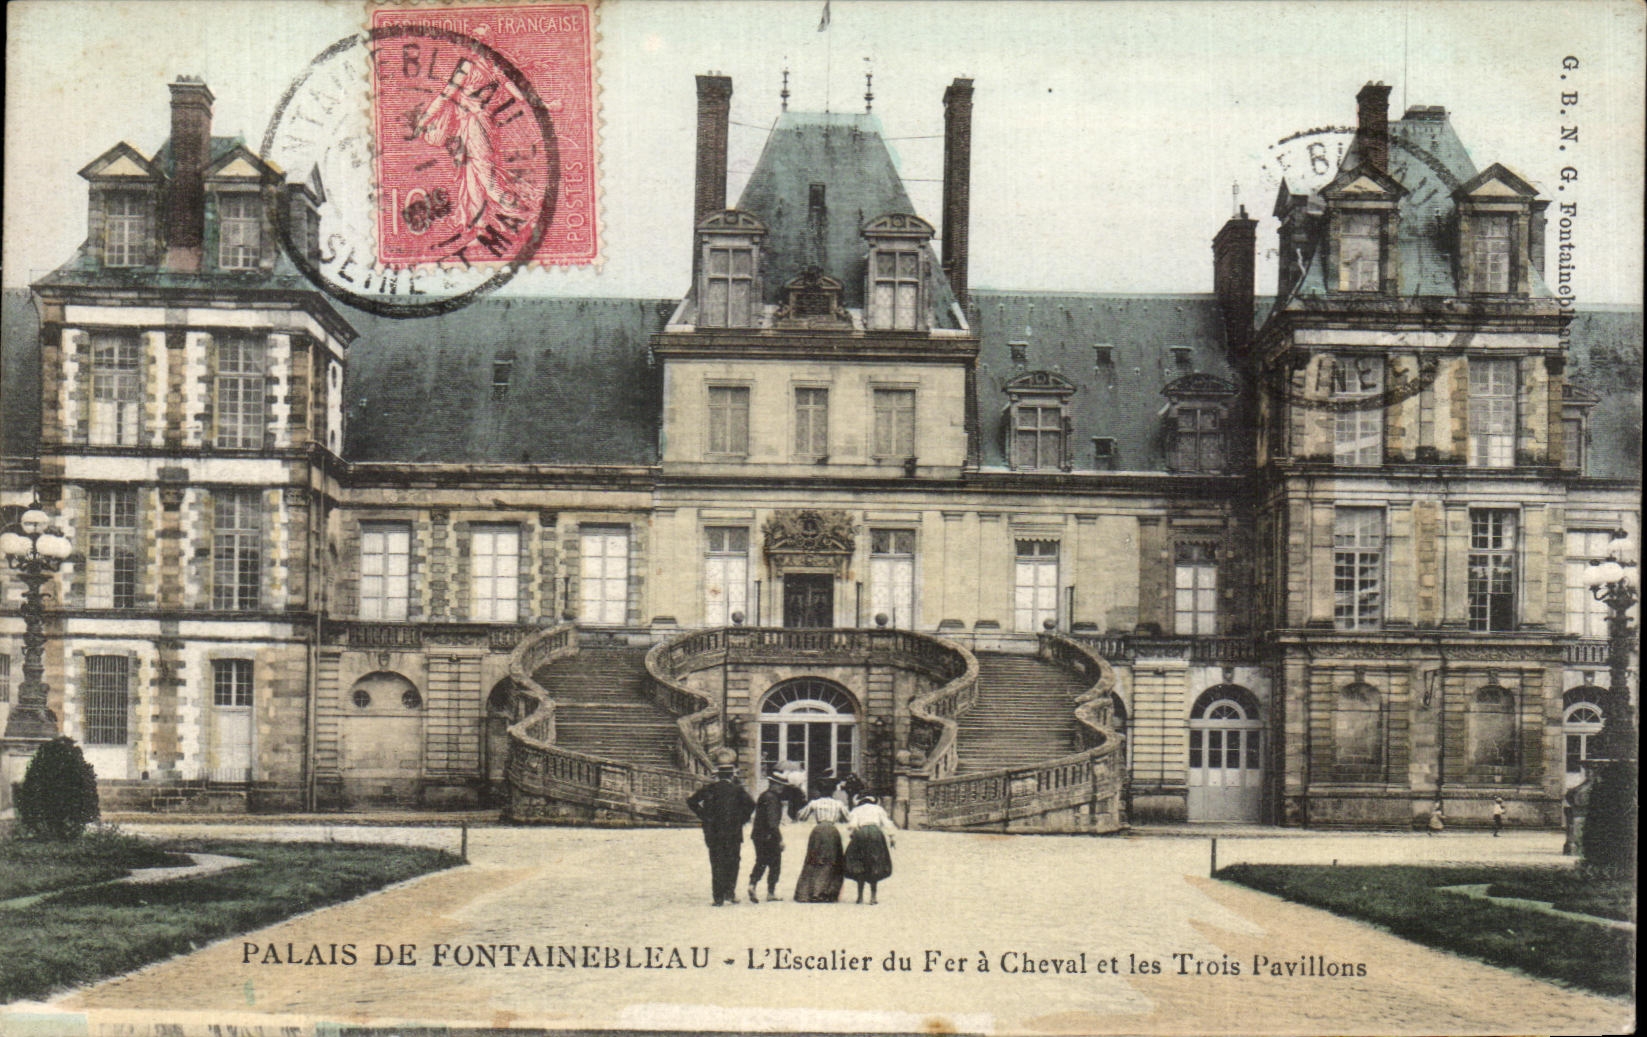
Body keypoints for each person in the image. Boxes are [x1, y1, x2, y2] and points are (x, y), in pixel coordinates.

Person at [686, 748, 755, 906]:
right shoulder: (737, 790)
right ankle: (730, 893)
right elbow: (751, 805)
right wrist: (741, 819)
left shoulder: (710, 789)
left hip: (714, 832)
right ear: (731, 775)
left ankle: (718, 898)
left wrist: (704, 816)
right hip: (733, 833)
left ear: (718, 775)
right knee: (733, 862)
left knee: (717, 863)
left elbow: (691, 802)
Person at [793, 778, 850, 903]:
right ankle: (827, 893)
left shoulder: (814, 803)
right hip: (832, 831)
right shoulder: (838, 804)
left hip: (818, 831)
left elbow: (801, 817)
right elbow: (848, 818)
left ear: (820, 791)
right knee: (832, 861)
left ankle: (809, 892)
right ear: (833, 791)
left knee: (813, 859)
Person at [747, 771, 799, 903]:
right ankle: (771, 892)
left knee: (761, 861)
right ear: (773, 784)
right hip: (770, 836)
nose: (782, 788)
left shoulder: (763, 795)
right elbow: (772, 822)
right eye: (779, 785)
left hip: (757, 834)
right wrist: (780, 839)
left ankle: (752, 884)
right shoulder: (773, 799)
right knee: (775, 863)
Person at [843, 793, 896, 904]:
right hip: (875, 833)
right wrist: (892, 837)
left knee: (860, 863)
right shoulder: (878, 809)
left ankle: (860, 897)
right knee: (875, 863)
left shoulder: (857, 810)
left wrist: (853, 835)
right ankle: (873, 897)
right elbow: (887, 823)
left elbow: (852, 825)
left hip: (861, 833)